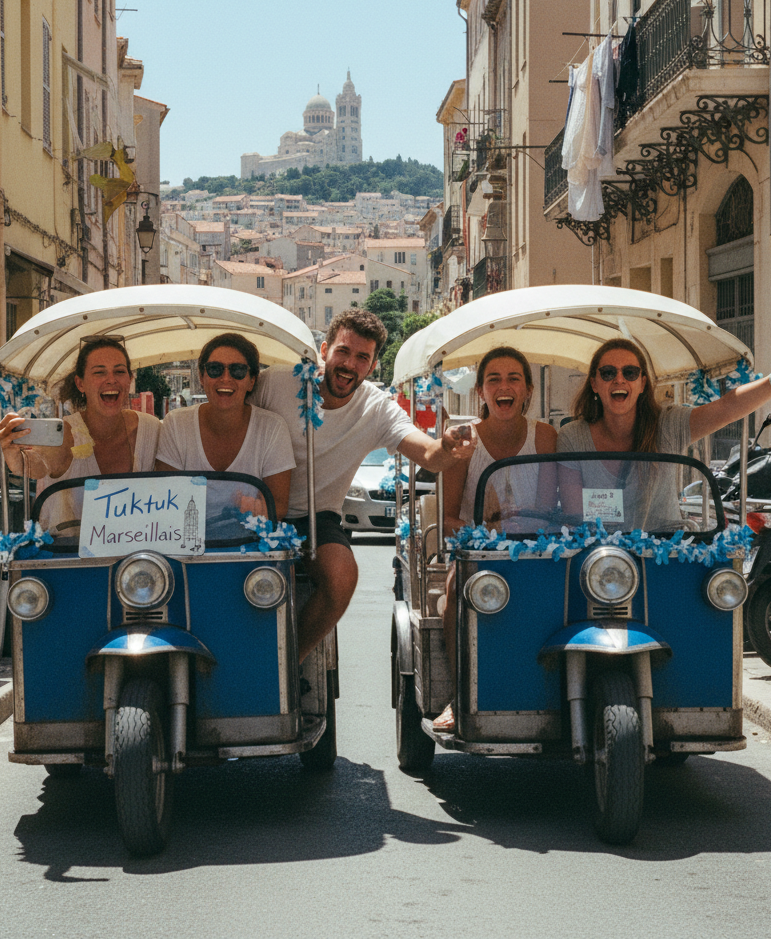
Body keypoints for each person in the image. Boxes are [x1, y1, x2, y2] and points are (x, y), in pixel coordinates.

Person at [251, 308, 476, 662]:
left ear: (372, 367)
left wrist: (448, 446)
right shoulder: (277, 383)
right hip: (256, 508)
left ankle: (283, 666)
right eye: (343, 351)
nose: (349, 364)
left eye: (362, 358)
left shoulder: (377, 407)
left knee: (343, 576)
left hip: (317, 518)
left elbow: (429, 455)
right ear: (324, 350)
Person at [557, 337, 771, 528]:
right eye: (608, 373)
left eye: (629, 372)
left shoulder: (668, 424)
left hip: (664, 554)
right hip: (597, 559)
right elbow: (572, 515)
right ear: (594, 383)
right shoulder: (572, 437)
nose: (619, 379)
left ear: (642, 383)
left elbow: (727, 407)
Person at [433, 346, 558, 733]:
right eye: (494, 380)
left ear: (527, 390)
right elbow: (445, 519)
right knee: (457, 585)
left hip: (535, 552)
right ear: (481, 393)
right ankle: (459, 694)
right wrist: (486, 532)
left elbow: (550, 513)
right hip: (477, 553)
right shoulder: (464, 441)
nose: (504, 387)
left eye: (513, 379)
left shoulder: (546, 436)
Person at [0, 336, 161, 535]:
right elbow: (35, 466)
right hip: (70, 560)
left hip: (141, 562)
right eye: (99, 372)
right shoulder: (66, 435)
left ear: (130, 380)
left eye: (119, 371)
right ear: (80, 384)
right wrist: (13, 454)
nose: (111, 379)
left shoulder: (151, 429)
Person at [155, 333, 294, 518]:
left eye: (237, 370)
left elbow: (278, 506)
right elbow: (166, 500)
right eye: (215, 369)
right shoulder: (176, 424)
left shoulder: (273, 429)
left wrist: (252, 509)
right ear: (202, 378)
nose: (226, 378)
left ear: (252, 381)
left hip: (249, 542)